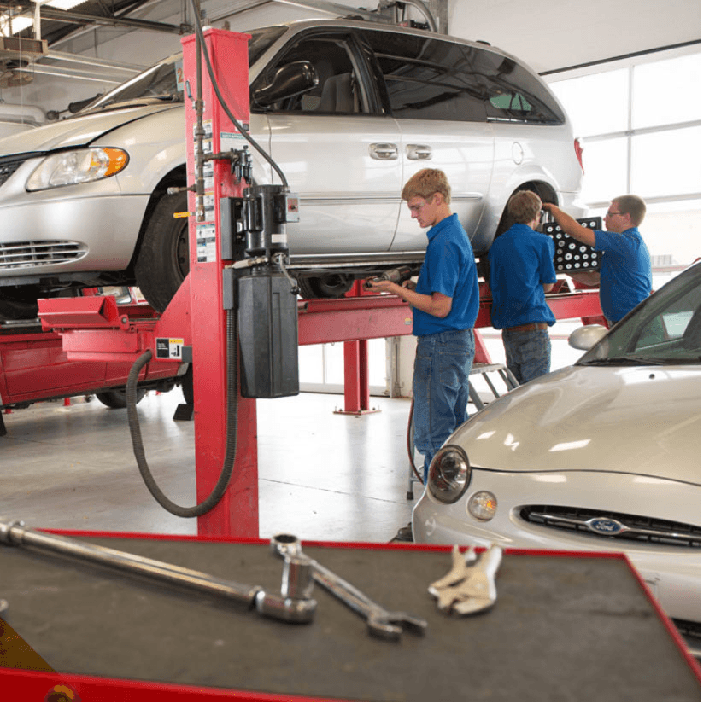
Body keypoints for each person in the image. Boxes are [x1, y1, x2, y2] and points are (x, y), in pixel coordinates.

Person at [368, 168, 480, 490]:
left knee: (433, 436)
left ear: (438, 199)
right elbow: (446, 296)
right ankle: (455, 507)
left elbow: (440, 307)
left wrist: (395, 289)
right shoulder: (456, 235)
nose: (414, 215)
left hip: (441, 346)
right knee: (452, 432)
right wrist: (416, 285)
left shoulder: (443, 244)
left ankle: (436, 513)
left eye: (417, 208)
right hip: (457, 344)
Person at [543, 195, 652, 325]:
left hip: (631, 322)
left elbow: (577, 232)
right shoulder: (627, 245)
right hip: (626, 320)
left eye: (610, 214)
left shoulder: (624, 242)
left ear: (626, 217)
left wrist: (553, 209)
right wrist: (564, 269)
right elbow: (593, 279)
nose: (605, 218)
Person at [488, 190, 556, 384]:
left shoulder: (497, 245)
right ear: (537, 215)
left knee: (516, 393)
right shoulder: (543, 242)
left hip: (509, 329)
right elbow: (549, 284)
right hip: (533, 326)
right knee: (536, 393)